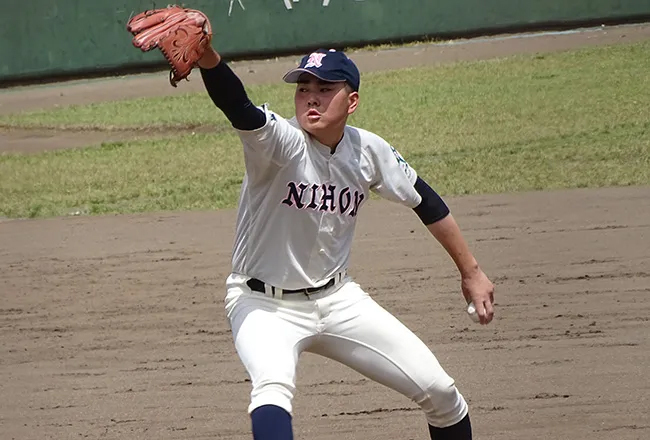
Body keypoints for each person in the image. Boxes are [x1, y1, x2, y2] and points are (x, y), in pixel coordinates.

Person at [196, 43, 495, 440]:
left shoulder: (368, 149)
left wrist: (471, 271)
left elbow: (427, 202)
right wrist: (210, 60)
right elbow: (239, 107)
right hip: (262, 304)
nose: (311, 98)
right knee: (272, 389)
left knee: (441, 392)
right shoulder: (279, 142)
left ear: (351, 100)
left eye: (325, 89)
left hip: (339, 301)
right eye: (303, 88)